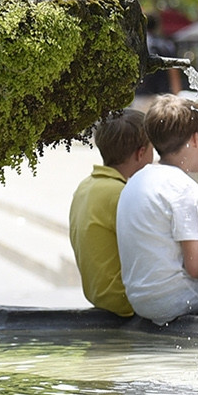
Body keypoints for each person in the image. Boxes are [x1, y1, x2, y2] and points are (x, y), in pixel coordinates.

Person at [116, 95, 198, 324]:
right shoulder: (182, 188)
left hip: (139, 299)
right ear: (195, 139)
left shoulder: (136, 180)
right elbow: (195, 268)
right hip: (175, 300)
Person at [69, 109, 150, 319]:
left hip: (98, 296)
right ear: (141, 153)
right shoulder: (121, 194)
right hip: (123, 301)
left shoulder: (85, 186)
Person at [131, 14, 182, 110]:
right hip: (162, 98)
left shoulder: (136, 45)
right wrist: (177, 96)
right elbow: (173, 73)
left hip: (140, 97)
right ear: (157, 26)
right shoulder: (165, 45)